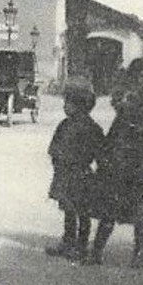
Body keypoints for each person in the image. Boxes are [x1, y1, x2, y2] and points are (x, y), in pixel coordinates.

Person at [84, 58, 143, 268]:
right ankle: (97, 251)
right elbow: (114, 134)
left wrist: (130, 120)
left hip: (142, 163)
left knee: (142, 213)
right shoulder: (126, 105)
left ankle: (139, 254)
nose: (142, 83)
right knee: (109, 209)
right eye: (138, 78)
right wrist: (105, 154)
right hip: (119, 161)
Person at [45, 83, 101, 260]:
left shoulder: (91, 128)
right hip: (65, 172)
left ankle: (81, 245)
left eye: (68, 103)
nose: (64, 106)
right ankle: (68, 241)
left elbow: (99, 151)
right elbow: (54, 146)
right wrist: (57, 159)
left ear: (80, 106)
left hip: (80, 174)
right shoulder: (65, 124)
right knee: (69, 209)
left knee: (83, 212)